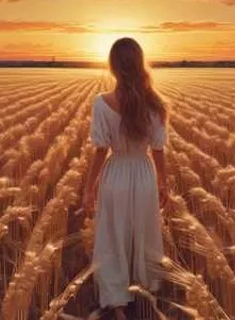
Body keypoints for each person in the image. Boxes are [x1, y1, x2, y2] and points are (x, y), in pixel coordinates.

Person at [82, 37, 169, 320]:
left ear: (112, 67)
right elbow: (158, 149)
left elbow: (100, 150)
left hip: (115, 174)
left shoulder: (101, 103)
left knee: (112, 235)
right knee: (143, 231)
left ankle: (117, 303)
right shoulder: (156, 104)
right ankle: (145, 291)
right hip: (144, 175)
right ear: (140, 63)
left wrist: (88, 189)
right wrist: (163, 183)